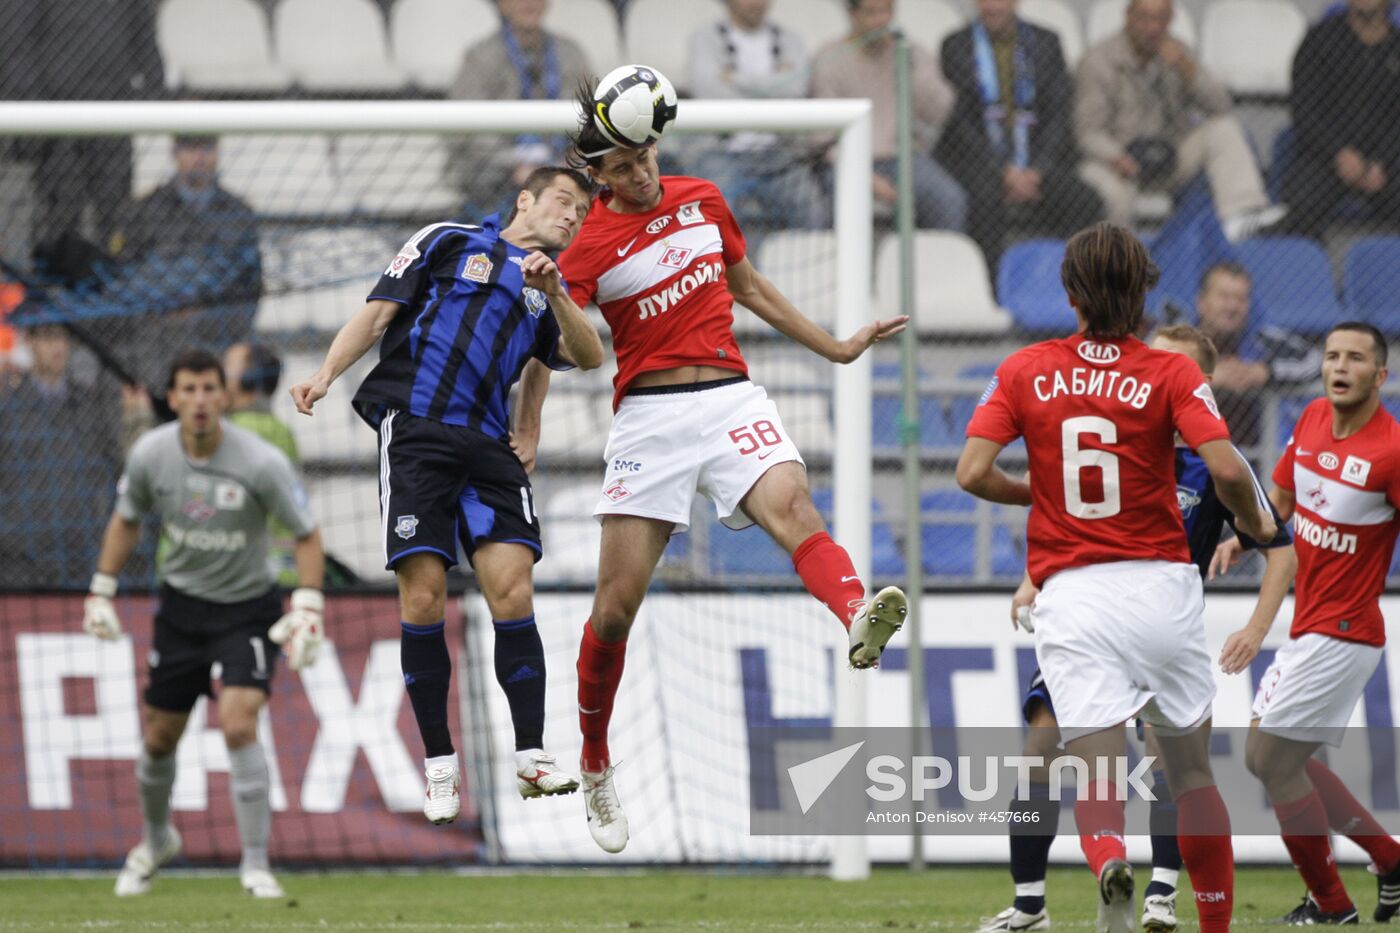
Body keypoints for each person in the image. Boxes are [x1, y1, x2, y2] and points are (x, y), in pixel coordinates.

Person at [557, 82, 910, 856]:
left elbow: (748, 289)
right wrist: (549, 300)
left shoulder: (704, 198)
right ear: (601, 176)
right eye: (623, 163)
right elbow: (565, 349)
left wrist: (837, 347)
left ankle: (854, 612)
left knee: (796, 508)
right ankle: (593, 758)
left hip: (729, 396)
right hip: (648, 417)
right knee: (614, 611)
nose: (643, 171)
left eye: (646, 153)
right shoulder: (584, 247)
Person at [957, 222, 1277, 932]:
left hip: (1073, 592)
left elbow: (972, 471)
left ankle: (1108, 872)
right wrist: (1253, 522)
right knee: (1191, 773)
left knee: (1094, 769)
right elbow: (1225, 469)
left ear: (1070, 293)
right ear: (1144, 294)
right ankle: (1212, 923)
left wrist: (1042, 493)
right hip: (1162, 587)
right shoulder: (1172, 372)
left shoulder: (1024, 369)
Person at [289, 167, 605, 825]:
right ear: (526, 199)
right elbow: (378, 314)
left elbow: (584, 355)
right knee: (424, 596)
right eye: (563, 202)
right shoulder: (448, 240)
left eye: (581, 212)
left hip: (489, 445)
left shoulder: (552, 287)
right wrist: (324, 372)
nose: (572, 216)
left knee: (514, 591)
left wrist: (531, 415)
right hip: (417, 431)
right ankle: (439, 762)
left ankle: (532, 754)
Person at [81, 350, 324, 899]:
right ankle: (155, 839)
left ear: (224, 395)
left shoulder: (260, 461)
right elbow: (125, 521)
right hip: (182, 609)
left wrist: (307, 605)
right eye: (187, 390)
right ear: (172, 398)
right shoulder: (150, 454)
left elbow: (306, 533)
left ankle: (256, 863)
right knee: (159, 739)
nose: (198, 400)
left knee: (239, 723)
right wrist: (101, 589)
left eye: (208, 389)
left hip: (248, 607)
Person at [1214, 322, 1400, 925]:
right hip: (1308, 624)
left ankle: (1331, 902)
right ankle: (1388, 858)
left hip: (1345, 631)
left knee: (1267, 758)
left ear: (1381, 374)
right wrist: (1246, 538)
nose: (1340, 366)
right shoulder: (1315, 418)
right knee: (1281, 761)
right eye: (1331, 355)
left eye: (1356, 358)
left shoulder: (1391, 452)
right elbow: (1282, 501)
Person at [1074, 0, 1285, 241]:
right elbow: (1087, 133)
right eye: (1145, 18)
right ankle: (1120, 263)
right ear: (1128, 18)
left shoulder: (1178, 54)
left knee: (1223, 130)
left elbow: (1221, 107)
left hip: (1170, 157)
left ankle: (1242, 217)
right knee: (1112, 193)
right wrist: (1117, 157)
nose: (1153, 28)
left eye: (1161, 19)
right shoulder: (1098, 61)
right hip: (1115, 163)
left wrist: (1188, 70)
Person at [937, 0, 1103, 264]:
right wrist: (1003, 171)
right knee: (984, 202)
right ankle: (992, 292)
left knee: (1084, 200)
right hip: (981, 163)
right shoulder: (956, 46)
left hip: (1037, 163)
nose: (992, 8)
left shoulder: (1045, 42)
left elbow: (1058, 114)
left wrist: (1037, 170)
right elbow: (961, 123)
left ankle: (1067, 282)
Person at [810, 0, 968, 231]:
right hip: (846, 162)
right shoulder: (830, 58)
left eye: (886, 11)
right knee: (832, 202)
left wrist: (911, 66)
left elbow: (940, 111)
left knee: (950, 199)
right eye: (871, 13)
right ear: (853, 15)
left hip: (904, 159)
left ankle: (937, 264)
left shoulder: (910, 53)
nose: (881, 21)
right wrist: (867, 179)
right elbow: (823, 137)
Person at [0, 323, 126, 587]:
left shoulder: (89, 403)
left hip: (80, 554)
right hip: (17, 558)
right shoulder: (7, 405)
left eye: (62, 337)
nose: (57, 347)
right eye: (47, 337)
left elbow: (112, 466)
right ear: (30, 343)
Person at [686, 0, 827, 231]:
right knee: (715, 216)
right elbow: (709, 91)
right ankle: (723, 268)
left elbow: (795, 88)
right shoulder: (705, 38)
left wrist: (735, 79)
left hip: (779, 152)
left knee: (814, 212)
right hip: (721, 151)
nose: (756, 3)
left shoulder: (789, 39)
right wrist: (774, 83)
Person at [446, 0, 592, 216]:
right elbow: (467, 129)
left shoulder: (570, 52)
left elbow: (591, 116)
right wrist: (514, 164)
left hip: (564, 162)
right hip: (499, 172)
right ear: (501, 5)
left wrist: (572, 158)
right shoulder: (480, 56)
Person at [1283, 0, 1400, 236]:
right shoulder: (1318, 41)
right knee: (1300, 200)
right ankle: (1311, 269)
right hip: (1326, 158)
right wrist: (1339, 153)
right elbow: (1304, 111)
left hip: (1386, 163)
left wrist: (1383, 162)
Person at [1190, 262, 1321, 447]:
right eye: (1224, 297)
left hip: (1254, 462)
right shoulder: (1177, 341)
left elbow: (1315, 360)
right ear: (1201, 303)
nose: (1233, 306)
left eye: (1241, 299)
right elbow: (1149, 374)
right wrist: (1203, 377)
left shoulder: (1262, 340)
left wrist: (1265, 372)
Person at [223, 342, 301, 586]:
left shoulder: (234, 429)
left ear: (248, 378)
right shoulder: (282, 430)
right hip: (283, 567)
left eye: (227, 368)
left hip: (243, 570)